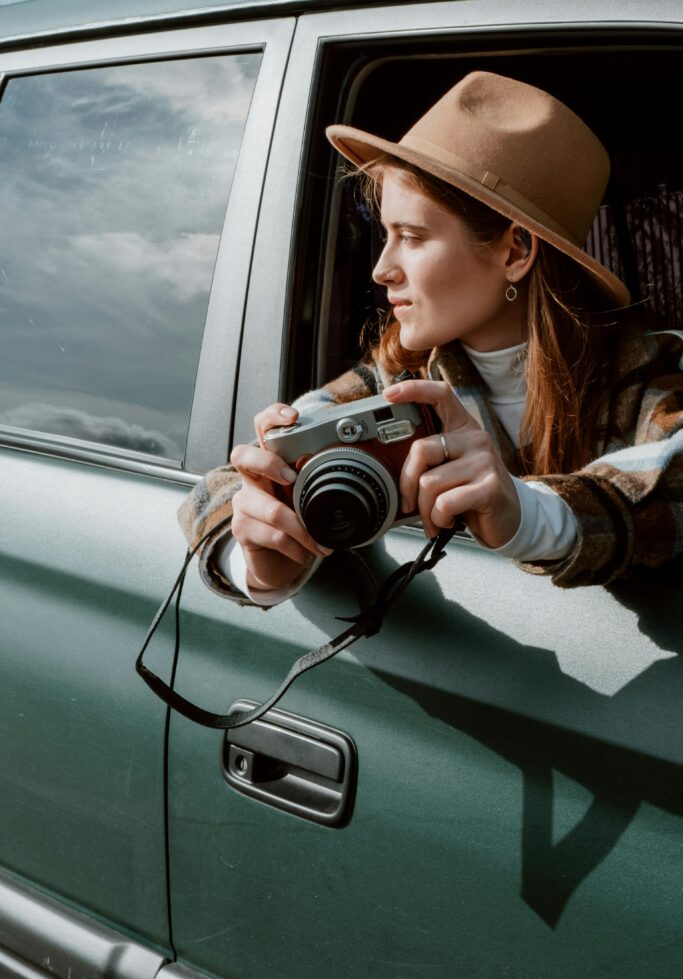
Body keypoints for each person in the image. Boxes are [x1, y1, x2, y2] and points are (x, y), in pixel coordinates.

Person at [178, 71, 683, 602]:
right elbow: (216, 489)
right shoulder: (401, 381)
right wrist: (259, 562)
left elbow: (671, 485)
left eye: (412, 237)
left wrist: (523, 513)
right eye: (385, 235)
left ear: (514, 252)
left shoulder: (653, 370)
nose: (381, 269)